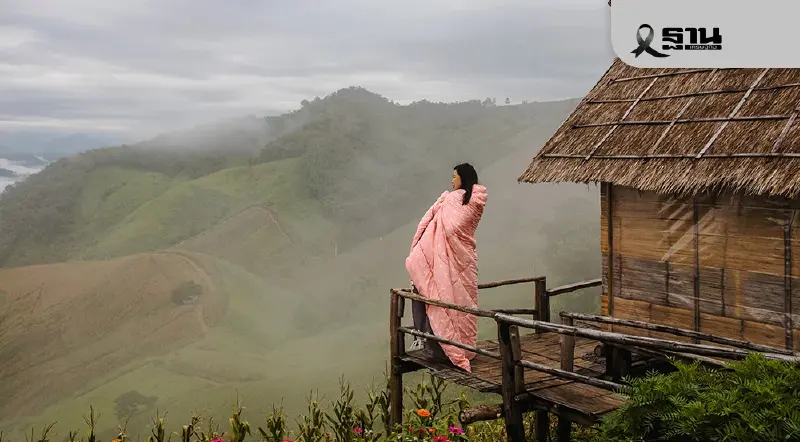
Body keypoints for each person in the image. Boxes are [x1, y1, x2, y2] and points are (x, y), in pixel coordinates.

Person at [405, 163, 487, 372]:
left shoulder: (469, 202)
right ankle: (442, 348)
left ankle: (452, 350)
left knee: (451, 300)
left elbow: (453, 229)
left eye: (454, 177)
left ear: (463, 179)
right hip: (450, 258)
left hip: (460, 259)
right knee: (443, 298)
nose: (451, 181)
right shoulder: (457, 200)